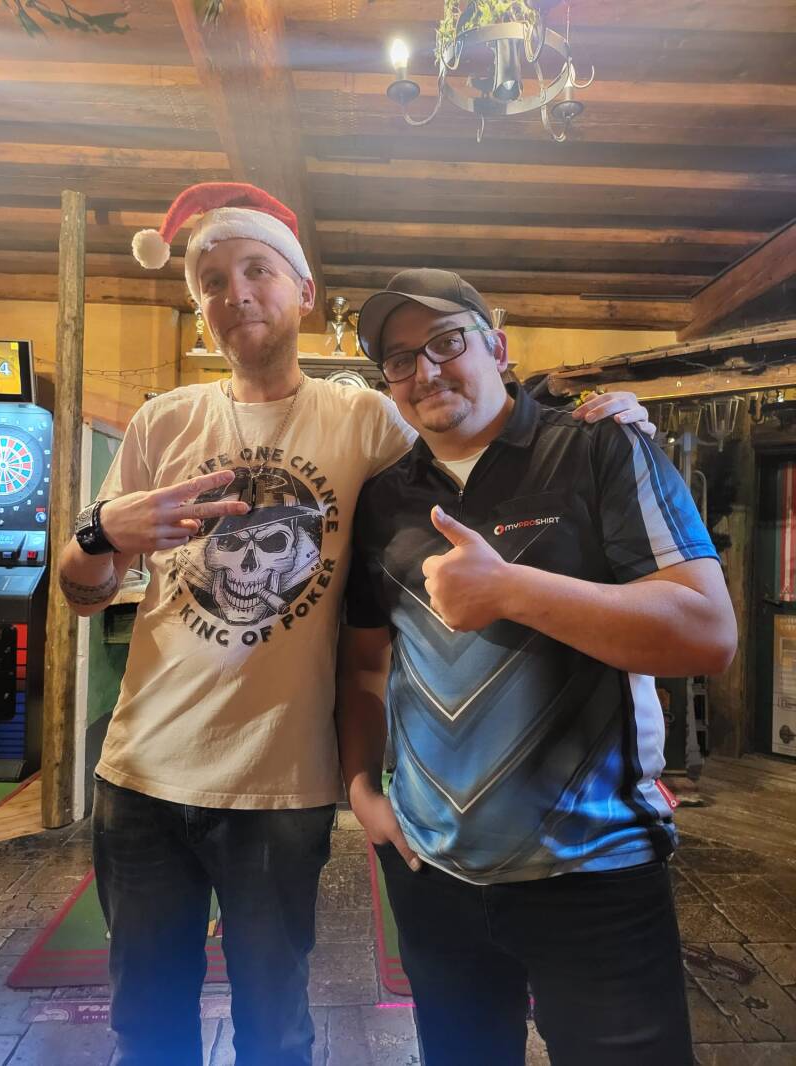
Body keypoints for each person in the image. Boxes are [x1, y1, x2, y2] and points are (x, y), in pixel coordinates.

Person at [58, 183, 655, 1066]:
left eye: (257, 270)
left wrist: (594, 428)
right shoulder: (163, 421)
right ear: (199, 306)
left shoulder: (366, 418)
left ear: (303, 291)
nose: (236, 293)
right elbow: (80, 591)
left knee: (276, 1028)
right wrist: (98, 531)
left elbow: (472, 453)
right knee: (144, 1024)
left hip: (279, 783)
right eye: (212, 281)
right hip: (139, 774)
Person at [338, 268, 737, 1066]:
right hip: (432, 873)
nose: (425, 370)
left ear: (498, 347)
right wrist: (361, 791)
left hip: (596, 871)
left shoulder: (600, 448)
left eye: (446, 342)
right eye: (400, 359)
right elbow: (366, 666)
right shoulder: (383, 498)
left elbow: (706, 633)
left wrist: (513, 590)